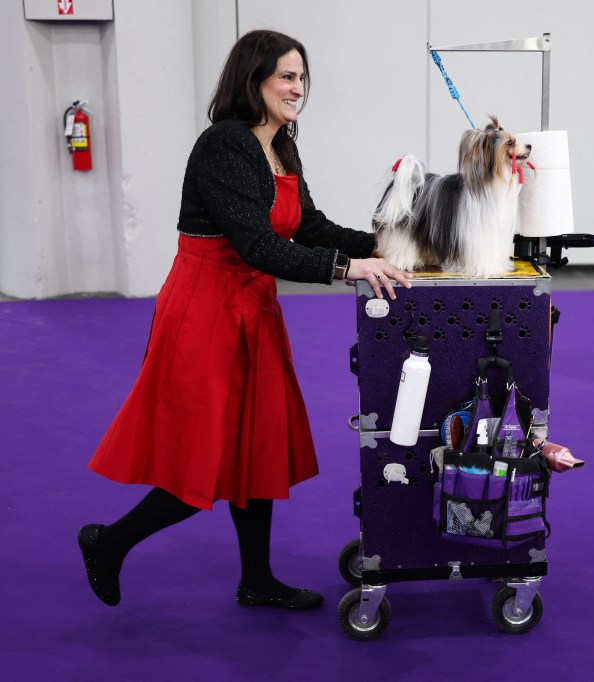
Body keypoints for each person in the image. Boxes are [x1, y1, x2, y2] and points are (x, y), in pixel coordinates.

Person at [78, 30, 411, 610]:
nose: (297, 89)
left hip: (252, 308)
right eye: (286, 76)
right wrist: (348, 268)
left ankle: (255, 580)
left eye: (302, 77)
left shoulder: (283, 141)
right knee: (202, 458)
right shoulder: (223, 145)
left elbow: (308, 227)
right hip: (205, 308)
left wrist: (395, 246)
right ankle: (109, 542)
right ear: (253, 79)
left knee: (255, 448)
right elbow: (259, 245)